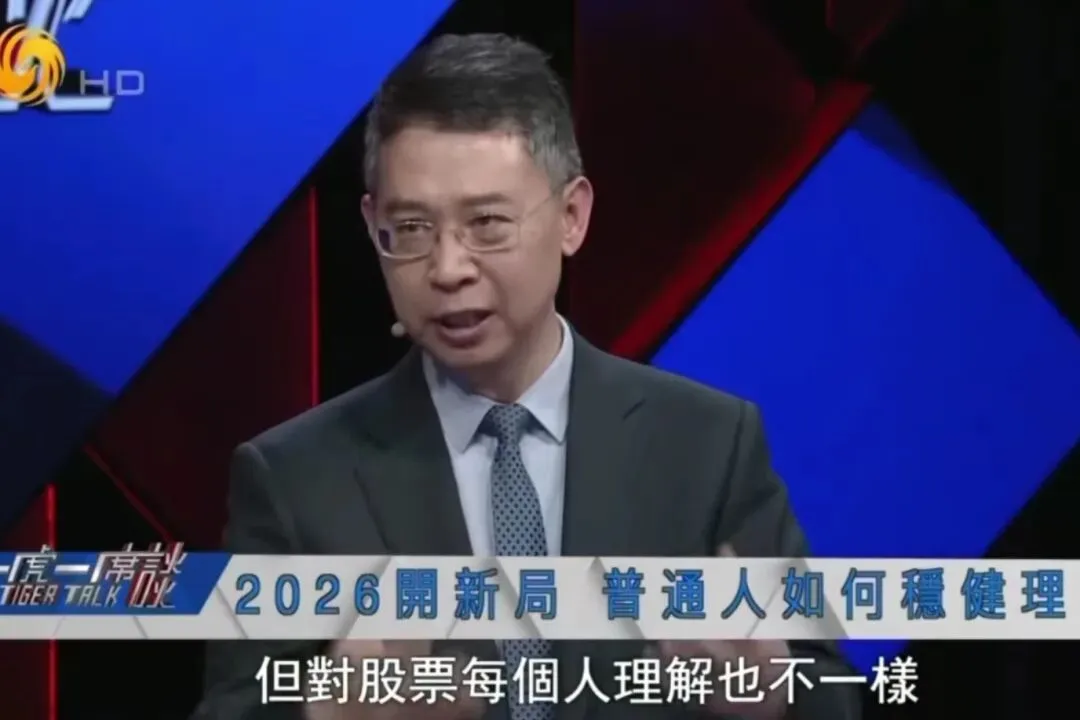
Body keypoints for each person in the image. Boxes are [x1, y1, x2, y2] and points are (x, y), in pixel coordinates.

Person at [192, 33, 861, 720]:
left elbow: (832, 694)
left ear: (571, 216)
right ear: (371, 226)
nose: (447, 268)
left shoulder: (709, 444)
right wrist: (327, 713)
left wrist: (772, 698)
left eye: (487, 223)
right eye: (411, 228)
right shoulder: (294, 478)